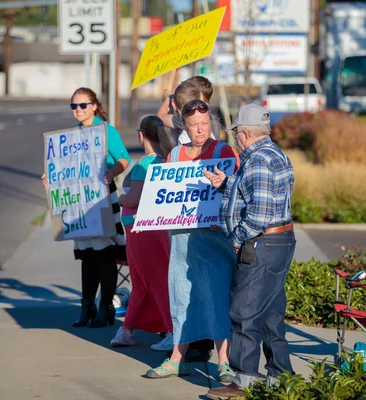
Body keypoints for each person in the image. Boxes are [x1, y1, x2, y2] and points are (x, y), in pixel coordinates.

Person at [203, 104, 296, 400]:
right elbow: (259, 193)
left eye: (236, 133)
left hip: (261, 243)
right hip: (279, 242)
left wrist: (237, 238)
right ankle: (280, 376)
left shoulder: (256, 160)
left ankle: (244, 380)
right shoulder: (274, 154)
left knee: (244, 312)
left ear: (244, 133)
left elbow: (259, 214)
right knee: (269, 312)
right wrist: (226, 183)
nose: (236, 139)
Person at [145, 99, 239, 383]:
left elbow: (238, 193)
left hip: (215, 240)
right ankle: (176, 359)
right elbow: (161, 194)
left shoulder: (223, 151)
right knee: (181, 297)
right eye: (194, 125)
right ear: (183, 126)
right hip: (183, 241)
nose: (200, 129)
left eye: (204, 123)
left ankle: (224, 362)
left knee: (218, 299)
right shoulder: (174, 156)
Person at [41, 87, 130, 329]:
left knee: (104, 253)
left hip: (101, 196)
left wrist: (112, 172)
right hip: (78, 200)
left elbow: (124, 159)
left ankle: (106, 307)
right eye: (74, 106)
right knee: (87, 255)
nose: (78, 110)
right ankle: (87, 306)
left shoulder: (105, 131)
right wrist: (52, 179)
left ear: (94, 105)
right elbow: (65, 167)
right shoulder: (71, 135)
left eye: (83, 105)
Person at [109, 115, 175, 349]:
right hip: (154, 227)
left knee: (150, 280)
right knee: (148, 280)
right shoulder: (165, 161)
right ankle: (128, 328)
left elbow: (134, 198)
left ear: (141, 135)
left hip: (139, 228)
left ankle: (170, 329)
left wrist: (122, 198)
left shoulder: (144, 165)